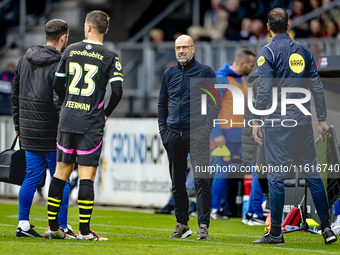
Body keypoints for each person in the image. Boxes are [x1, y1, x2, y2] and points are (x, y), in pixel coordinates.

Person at [252, 8, 337, 245]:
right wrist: (321, 120)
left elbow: (264, 88)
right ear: (288, 25)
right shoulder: (304, 50)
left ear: (268, 27)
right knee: (313, 176)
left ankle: (276, 233)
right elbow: (317, 88)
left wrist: (257, 120)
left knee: (276, 177)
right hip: (301, 123)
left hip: (278, 124)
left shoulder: (267, 52)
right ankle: (327, 228)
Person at [44, 10, 123, 241]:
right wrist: (105, 114)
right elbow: (117, 92)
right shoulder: (110, 56)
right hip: (91, 123)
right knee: (87, 177)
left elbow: (57, 84)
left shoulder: (70, 50)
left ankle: (53, 229)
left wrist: (66, 104)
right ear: (105, 30)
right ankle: (84, 232)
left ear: (87, 27)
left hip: (67, 119)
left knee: (60, 174)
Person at [12, 19, 75, 238]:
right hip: (53, 131)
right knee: (61, 178)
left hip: (29, 130)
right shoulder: (61, 63)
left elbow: (15, 96)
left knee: (31, 177)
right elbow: (60, 100)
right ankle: (60, 226)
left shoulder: (23, 60)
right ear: (63, 37)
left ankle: (23, 225)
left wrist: (18, 126)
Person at [158, 35, 221, 240]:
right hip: (173, 134)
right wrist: (163, 131)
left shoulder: (205, 72)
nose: (181, 51)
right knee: (177, 182)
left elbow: (215, 104)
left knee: (202, 180)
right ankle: (182, 224)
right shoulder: (169, 73)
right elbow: (162, 104)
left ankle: (203, 226)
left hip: (198, 134)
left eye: (185, 47)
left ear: (193, 49)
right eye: (178, 48)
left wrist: (205, 131)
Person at [210, 49, 255, 220]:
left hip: (242, 135)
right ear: (242, 63)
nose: (253, 68)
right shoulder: (221, 78)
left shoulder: (242, 79)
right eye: (251, 65)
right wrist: (217, 133)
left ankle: (253, 212)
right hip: (226, 136)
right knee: (222, 172)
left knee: (256, 169)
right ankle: (215, 209)